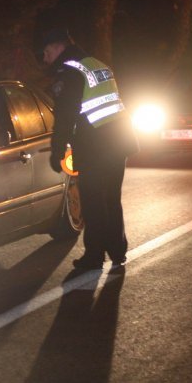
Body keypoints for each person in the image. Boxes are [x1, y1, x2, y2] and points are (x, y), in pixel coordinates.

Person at [40, 28, 138, 271]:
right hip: (118, 141)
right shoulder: (97, 64)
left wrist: (57, 150)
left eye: (46, 51)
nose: (44, 58)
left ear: (58, 47)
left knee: (93, 202)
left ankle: (94, 256)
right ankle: (117, 251)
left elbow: (65, 116)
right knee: (111, 199)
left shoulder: (70, 71)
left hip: (96, 146)